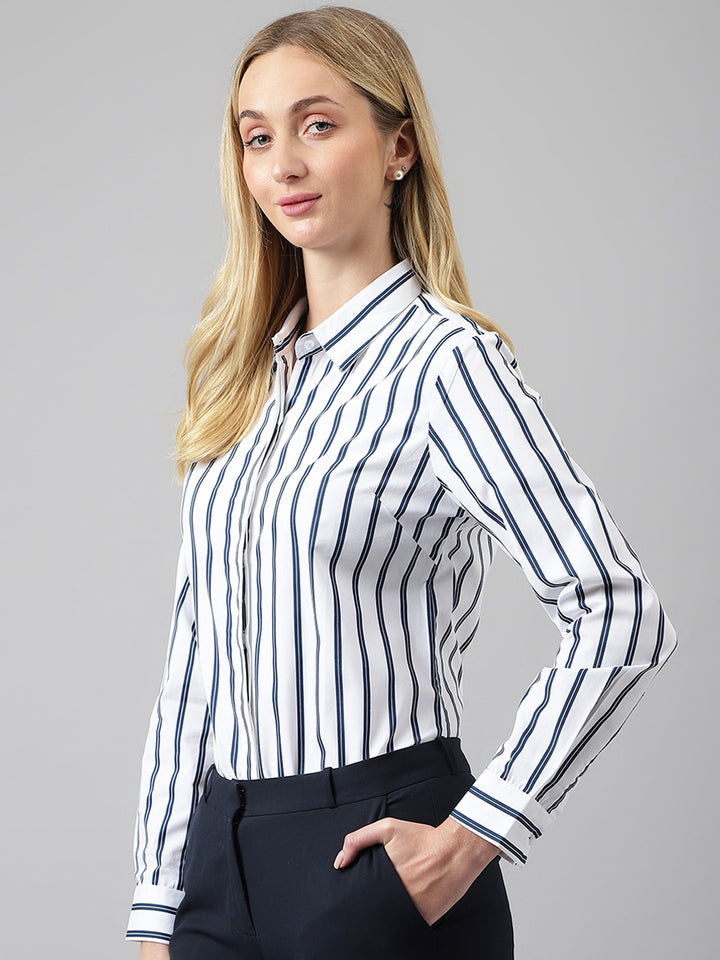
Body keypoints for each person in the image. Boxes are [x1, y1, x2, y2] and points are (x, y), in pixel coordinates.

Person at [126, 6, 677, 959]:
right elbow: (195, 660)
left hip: (374, 854)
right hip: (218, 864)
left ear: (399, 149)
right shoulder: (244, 383)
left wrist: (475, 836)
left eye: (317, 124)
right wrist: (159, 899)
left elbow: (620, 611)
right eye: (258, 138)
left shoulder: (446, 367)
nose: (284, 164)